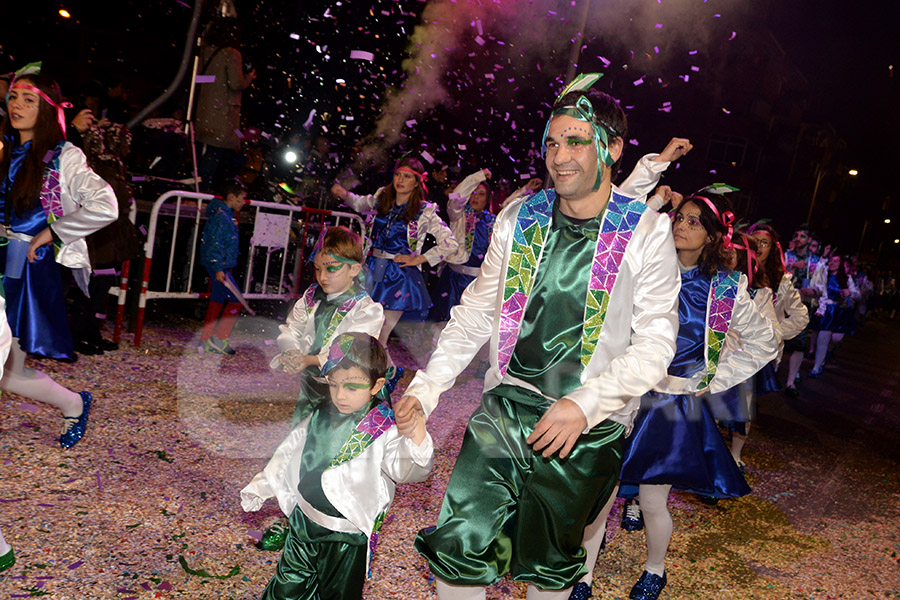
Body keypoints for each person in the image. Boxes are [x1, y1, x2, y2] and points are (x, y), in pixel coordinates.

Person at [396, 76, 686, 600]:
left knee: (550, 571)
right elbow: (476, 312)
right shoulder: (519, 219)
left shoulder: (645, 231)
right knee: (458, 552)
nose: (559, 156)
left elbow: (657, 342)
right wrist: (427, 386)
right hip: (506, 405)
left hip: (589, 426)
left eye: (576, 141)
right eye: (552, 142)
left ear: (612, 148)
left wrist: (586, 403)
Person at [577, 195, 777, 600]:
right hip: (626, 393)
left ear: (712, 235)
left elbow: (766, 341)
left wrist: (714, 379)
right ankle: (583, 575)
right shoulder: (648, 268)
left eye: (694, 222)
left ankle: (655, 569)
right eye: (679, 217)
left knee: (652, 501)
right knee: (600, 496)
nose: (681, 226)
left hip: (671, 406)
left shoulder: (725, 286)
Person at [241, 332, 433, 600]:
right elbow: (289, 450)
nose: (340, 395)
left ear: (376, 385)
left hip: (346, 537)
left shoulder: (382, 427)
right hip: (303, 522)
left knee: (338, 594)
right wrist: (262, 486)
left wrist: (416, 436)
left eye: (352, 387)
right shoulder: (320, 412)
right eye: (334, 385)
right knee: (285, 589)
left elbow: (407, 470)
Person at [0, 73, 117, 448]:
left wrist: (54, 231)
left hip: (22, 267)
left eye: (28, 100)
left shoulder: (63, 156)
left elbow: (106, 205)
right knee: (9, 373)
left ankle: (73, 403)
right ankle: (73, 402)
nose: (16, 104)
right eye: (13, 96)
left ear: (48, 110)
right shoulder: (3, 148)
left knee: (9, 369)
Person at [331, 156, 458, 348]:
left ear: (417, 183)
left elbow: (450, 243)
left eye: (407, 177)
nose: (400, 180)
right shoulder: (382, 198)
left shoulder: (424, 211)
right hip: (372, 269)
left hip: (400, 276)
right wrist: (344, 193)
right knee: (360, 325)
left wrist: (420, 259)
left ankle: (376, 374)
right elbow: (359, 204)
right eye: (398, 174)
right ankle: (385, 372)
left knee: (380, 332)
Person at [194, 17, 256, 192]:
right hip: (223, 116)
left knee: (205, 157)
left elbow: (199, 78)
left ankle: (200, 191)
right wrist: (249, 77)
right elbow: (236, 84)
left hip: (205, 112)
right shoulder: (232, 53)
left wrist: (216, 82)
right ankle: (210, 195)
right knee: (217, 158)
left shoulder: (207, 51)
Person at [429, 168, 495, 323]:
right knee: (446, 321)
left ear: (488, 199)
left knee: (471, 324)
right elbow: (455, 197)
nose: (476, 197)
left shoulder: (493, 221)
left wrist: (525, 191)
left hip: (479, 282)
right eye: (473, 192)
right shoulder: (458, 215)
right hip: (455, 278)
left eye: (481, 194)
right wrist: (476, 177)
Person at [198, 178, 247, 354]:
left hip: (220, 265)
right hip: (220, 267)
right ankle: (217, 339)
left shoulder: (223, 216)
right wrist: (218, 268)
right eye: (241, 199)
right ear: (231, 197)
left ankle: (207, 340)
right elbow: (214, 244)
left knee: (217, 302)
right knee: (235, 301)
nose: (243, 203)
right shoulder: (222, 218)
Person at [783, 226, 822, 396]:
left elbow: (821, 286)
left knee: (799, 344)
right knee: (777, 340)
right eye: (796, 235)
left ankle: (790, 382)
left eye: (803, 236)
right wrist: (791, 267)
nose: (799, 238)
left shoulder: (817, 262)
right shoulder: (786, 256)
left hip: (803, 306)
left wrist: (813, 291)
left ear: (809, 239)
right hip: (784, 305)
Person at [809, 254, 859, 377]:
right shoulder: (824, 274)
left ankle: (828, 351)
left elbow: (857, 295)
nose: (832, 263)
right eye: (831, 260)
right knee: (822, 339)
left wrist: (850, 293)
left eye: (836, 261)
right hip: (826, 310)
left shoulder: (846, 278)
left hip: (840, 311)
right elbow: (818, 286)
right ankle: (816, 367)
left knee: (836, 338)